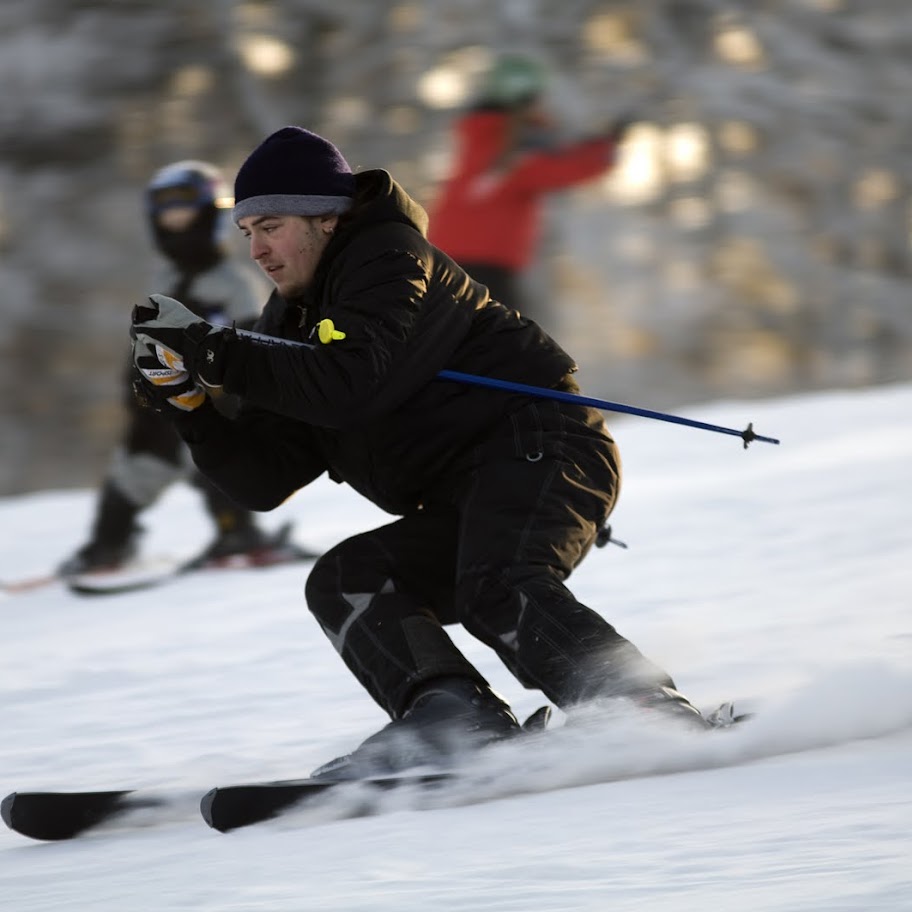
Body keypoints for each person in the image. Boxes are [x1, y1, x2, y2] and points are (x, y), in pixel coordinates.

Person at [129, 126, 711, 778]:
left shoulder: (389, 257)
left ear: (326, 217)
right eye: (247, 234)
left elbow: (354, 381)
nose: (257, 250)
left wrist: (214, 351)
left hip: (545, 447)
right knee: (347, 579)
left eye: (270, 226)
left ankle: (636, 705)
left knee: (496, 585)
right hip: (467, 490)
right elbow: (265, 477)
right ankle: (453, 714)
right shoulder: (284, 324)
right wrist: (188, 404)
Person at [59, 160, 302, 577]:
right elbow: (143, 339)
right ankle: (107, 545)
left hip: (212, 402)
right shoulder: (164, 279)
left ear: (206, 215)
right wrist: (135, 392)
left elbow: (255, 345)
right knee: (136, 469)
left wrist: (236, 400)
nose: (177, 226)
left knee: (214, 462)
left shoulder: (236, 284)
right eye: (167, 217)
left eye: (185, 214)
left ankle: (236, 532)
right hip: (158, 402)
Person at [428, 53, 633, 323]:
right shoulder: (503, 145)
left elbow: (557, 156)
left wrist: (601, 143)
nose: (540, 105)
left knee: (482, 343)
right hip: (477, 264)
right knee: (499, 345)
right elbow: (555, 168)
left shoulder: (496, 135)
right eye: (535, 99)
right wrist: (605, 150)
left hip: (467, 261)